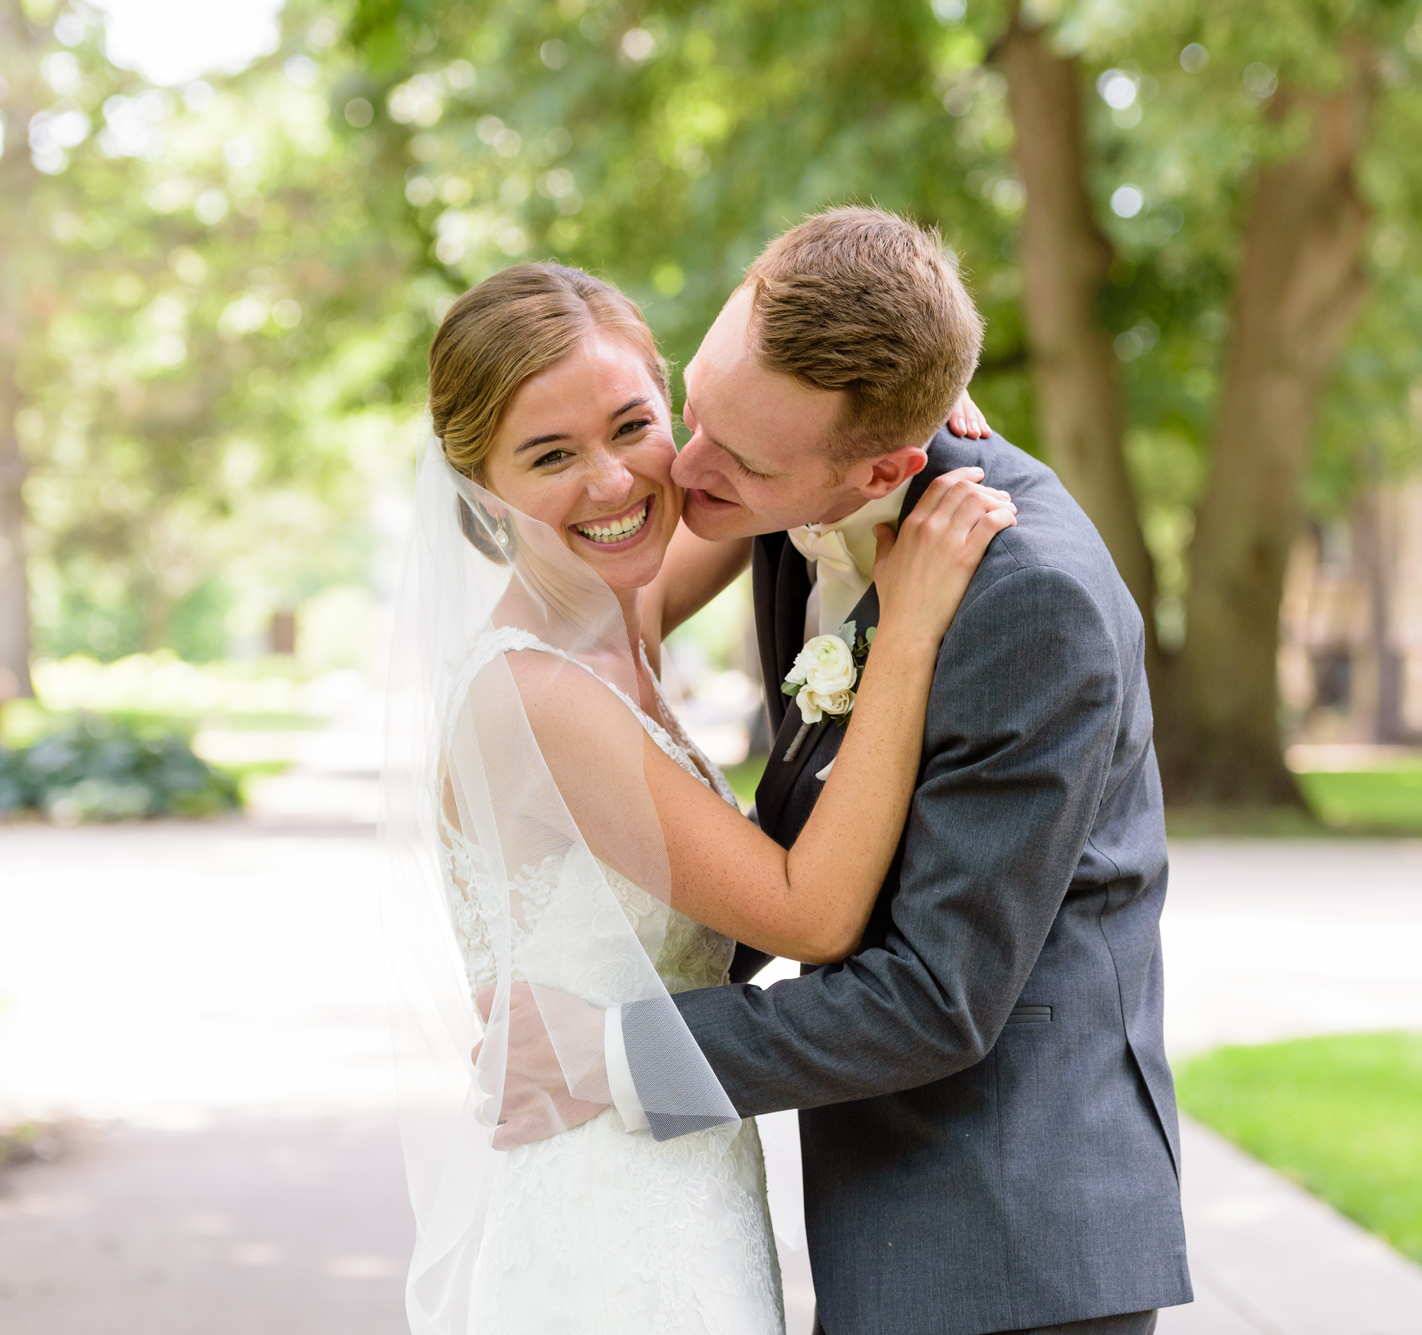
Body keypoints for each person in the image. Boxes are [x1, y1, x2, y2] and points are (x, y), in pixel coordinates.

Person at [485, 207, 1192, 1335]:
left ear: (885, 466)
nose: (687, 471)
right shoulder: (775, 462)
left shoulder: (1028, 603)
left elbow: (932, 996)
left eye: (742, 457)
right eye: (694, 409)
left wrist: (608, 1054)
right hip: (860, 1219)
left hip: (999, 1243)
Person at [383, 257, 1015, 1335]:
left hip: (674, 1160)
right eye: (549, 456)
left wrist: (890, 402)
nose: (614, 483)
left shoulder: (603, 606)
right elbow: (807, 914)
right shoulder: (530, 694)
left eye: (632, 425)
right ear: (477, 481)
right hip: (604, 1212)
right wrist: (904, 635)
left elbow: (763, 487)